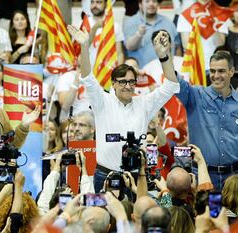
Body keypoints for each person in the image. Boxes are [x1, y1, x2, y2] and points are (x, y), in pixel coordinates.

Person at [68, 25, 179, 192]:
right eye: (122, 82)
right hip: (104, 176)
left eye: (131, 82)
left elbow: (171, 85)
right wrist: (84, 47)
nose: (128, 86)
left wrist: (164, 56)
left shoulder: (144, 104)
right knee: (103, 218)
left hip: (136, 177)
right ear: (113, 84)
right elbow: (87, 77)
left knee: (136, 217)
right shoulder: (102, 101)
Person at [175, 51, 238, 190]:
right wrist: (164, 57)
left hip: (235, 179)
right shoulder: (196, 96)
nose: (215, 76)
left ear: (232, 71)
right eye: (212, 71)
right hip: (204, 176)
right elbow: (174, 81)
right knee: (210, 212)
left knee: (233, 212)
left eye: (221, 71)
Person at [123, 0, 180, 68]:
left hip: (166, 72)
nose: (151, 4)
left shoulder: (168, 22)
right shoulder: (131, 22)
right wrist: (139, 34)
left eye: (154, 1)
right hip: (142, 73)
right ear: (140, 4)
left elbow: (177, 48)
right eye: (147, 1)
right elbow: (129, 47)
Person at [80, 0, 124, 65]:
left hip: (108, 70)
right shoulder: (83, 23)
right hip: (88, 70)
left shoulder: (115, 26)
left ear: (106, 4)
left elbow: (119, 53)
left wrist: (119, 73)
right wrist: (95, 28)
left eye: (98, 2)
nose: (94, 5)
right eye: (92, 2)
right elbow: (82, 47)